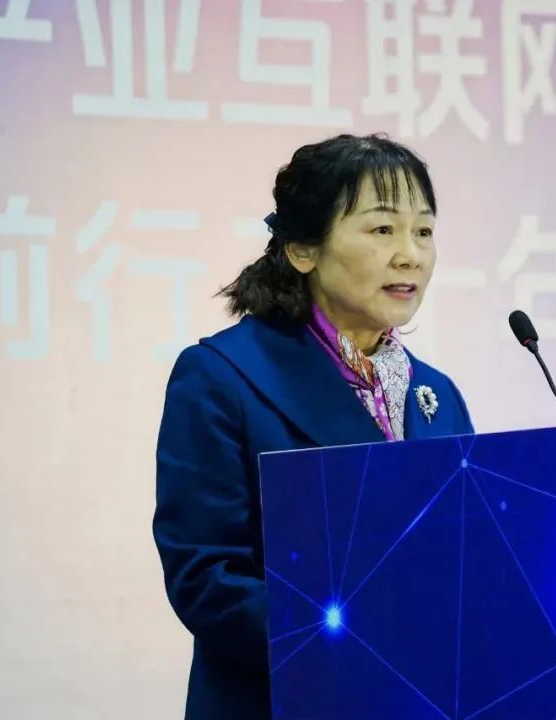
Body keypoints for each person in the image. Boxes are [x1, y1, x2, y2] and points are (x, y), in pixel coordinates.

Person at [152, 133, 475, 719]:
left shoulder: (438, 395)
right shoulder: (222, 377)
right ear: (303, 249)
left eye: (424, 231)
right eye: (382, 229)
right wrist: (364, 642)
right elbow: (207, 578)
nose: (410, 254)